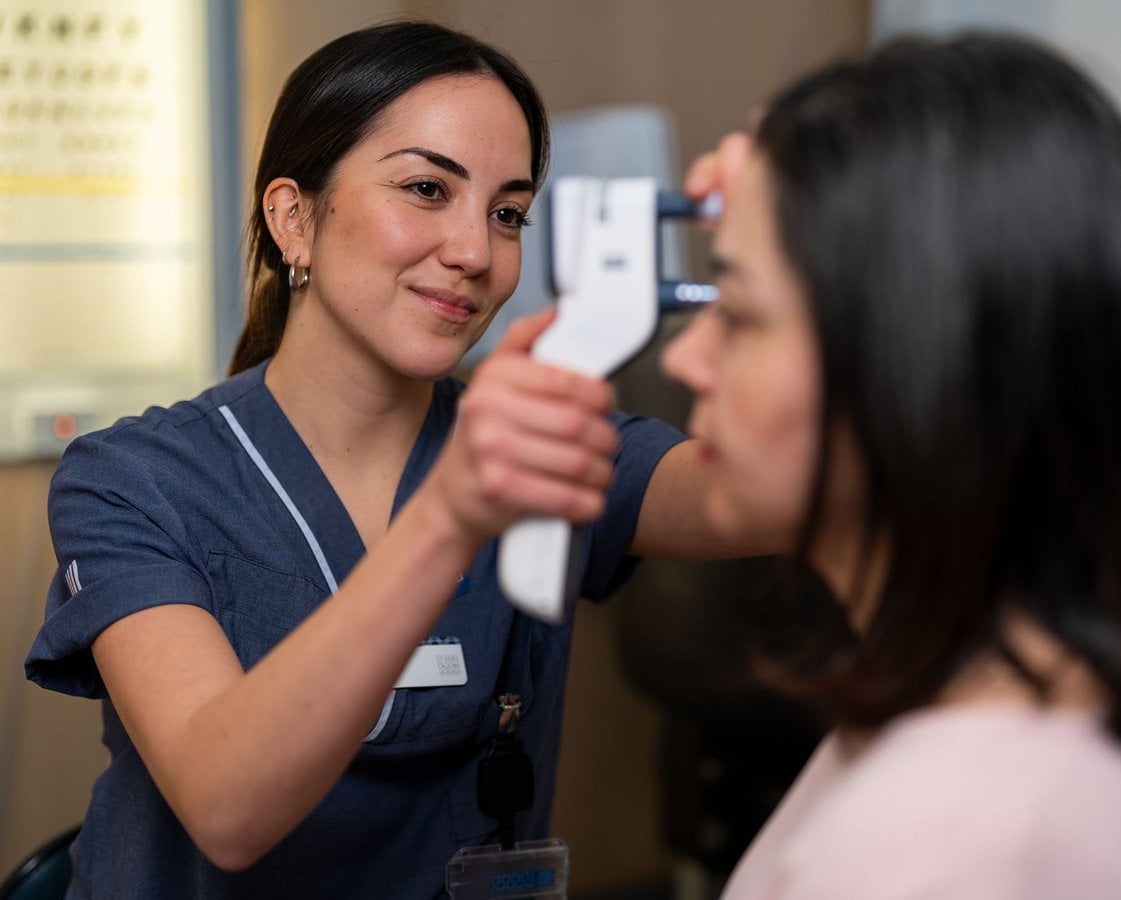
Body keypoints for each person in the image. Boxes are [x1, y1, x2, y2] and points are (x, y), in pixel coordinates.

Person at [24, 20, 759, 899]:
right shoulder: (132, 481)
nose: (475, 253)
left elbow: (766, 497)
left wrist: (817, 253)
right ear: (293, 217)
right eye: (424, 188)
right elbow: (228, 809)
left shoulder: (539, 434)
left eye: (507, 213)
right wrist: (453, 514)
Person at [663, 33, 1121, 898]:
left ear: (913, 364)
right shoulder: (976, 714)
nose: (687, 358)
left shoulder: (938, 841)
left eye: (738, 314)